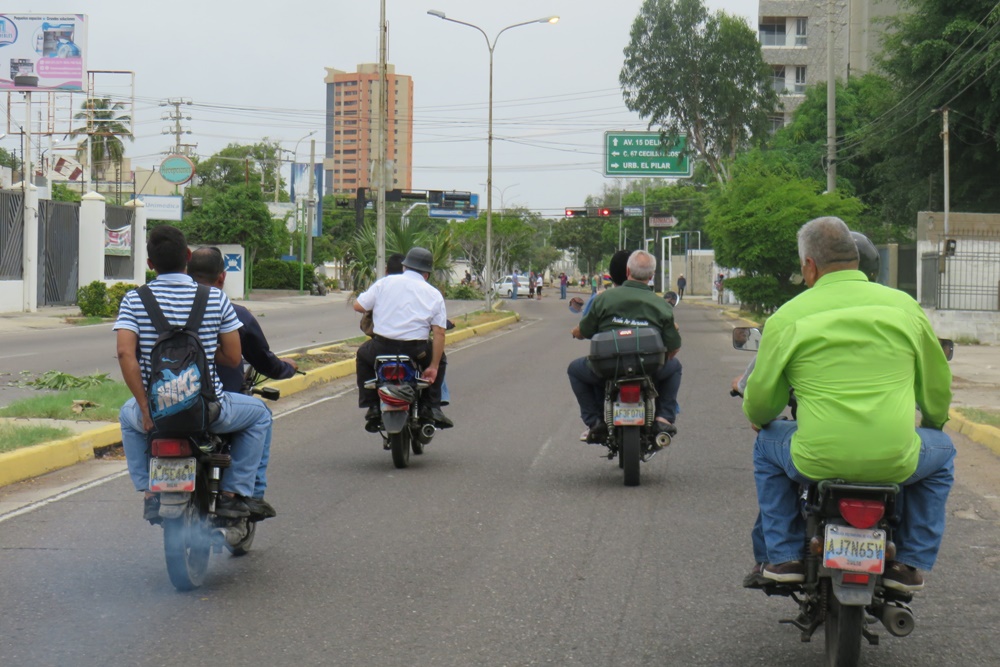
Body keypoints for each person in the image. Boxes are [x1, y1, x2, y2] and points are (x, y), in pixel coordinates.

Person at [742, 217, 954, 592]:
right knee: (944, 451)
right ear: (856, 258)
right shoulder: (904, 307)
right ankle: (908, 562)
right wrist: (934, 423)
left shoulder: (788, 316)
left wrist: (761, 418)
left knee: (766, 444)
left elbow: (762, 403)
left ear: (809, 265)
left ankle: (784, 554)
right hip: (896, 459)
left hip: (814, 459)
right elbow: (936, 387)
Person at [115, 225, 273, 522]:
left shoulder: (134, 300)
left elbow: (125, 353)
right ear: (187, 256)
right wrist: (199, 348)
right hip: (208, 409)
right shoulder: (215, 299)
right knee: (261, 414)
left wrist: (146, 408)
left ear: (150, 264)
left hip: (157, 411)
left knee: (127, 416)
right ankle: (233, 493)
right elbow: (233, 357)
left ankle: (150, 492)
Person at [188, 246, 296, 519]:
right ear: (222, 278)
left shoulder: (165, 307)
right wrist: (286, 369)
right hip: (217, 403)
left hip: (169, 401)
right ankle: (248, 495)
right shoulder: (234, 313)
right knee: (261, 416)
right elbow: (263, 360)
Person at [568, 250, 682, 443]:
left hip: (606, 368)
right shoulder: (661, 305)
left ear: (628, 270)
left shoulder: (603, 299)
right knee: (675, 367)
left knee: (575, 370)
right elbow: (674, 345)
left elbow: (584, 331)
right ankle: (663, 417)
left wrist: (576, 332)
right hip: (648, 368)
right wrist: (664, 357)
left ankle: (595, 422)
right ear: (651, 275)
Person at [354, 247, 453, 430]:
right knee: (441, 359)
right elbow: (440, 332)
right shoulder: (433, 294)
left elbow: (358, 306)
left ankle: (372, 406)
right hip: (417, 351)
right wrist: (433, 367)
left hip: (381, 348)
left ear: (405, 267)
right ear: (427, 274)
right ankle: (430, 408)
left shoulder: (385, 283)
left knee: (362, 355)